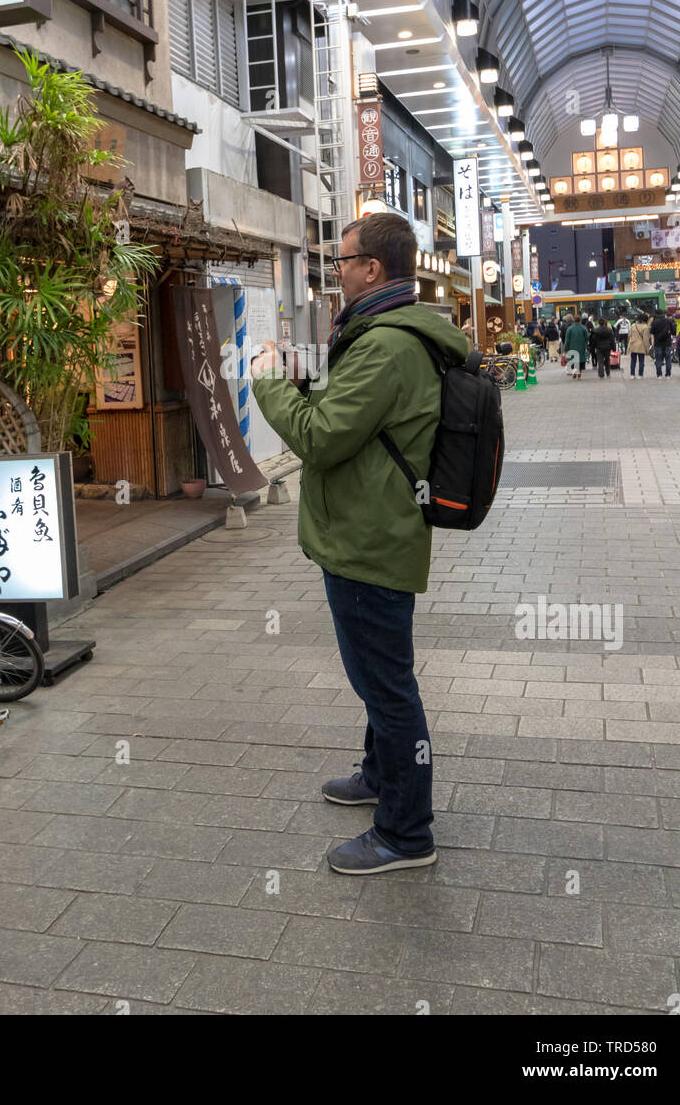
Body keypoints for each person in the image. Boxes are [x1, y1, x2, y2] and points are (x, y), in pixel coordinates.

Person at [250, 213, 469, 876]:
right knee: (380, 678)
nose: (335, 272)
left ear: (372, 268)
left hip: (370, 538)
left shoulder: (386, 344)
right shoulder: (385, 332)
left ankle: (406, 833)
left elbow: (319, 437)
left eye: (341, 261)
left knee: (387, 685)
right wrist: (306, 379)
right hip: (371, 528)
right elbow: (353, 415)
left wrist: (266, 382)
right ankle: (380, 774)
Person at [650, 309, 675, 378]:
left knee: (658, 359)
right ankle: (668, 374)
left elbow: (652, 335)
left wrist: (652, 344)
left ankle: (659, 375)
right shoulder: (668, 321)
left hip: (658, 344)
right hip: (667, 343)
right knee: (668, 359)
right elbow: (673, 332)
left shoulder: (654, 322)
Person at [563, 313, 589, 379]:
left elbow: (567, 340)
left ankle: (574, 372)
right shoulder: (583, 328)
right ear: (580, 320)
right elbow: (587, 337)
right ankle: (579, 372)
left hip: (572, 348)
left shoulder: (570, 329)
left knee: (573, 361)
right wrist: (585, 345)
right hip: (581, 348)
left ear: (574, 320)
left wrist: (565, 348)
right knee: (581, 361)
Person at [628, 313, 650, 378]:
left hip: (633, 345)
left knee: (633, 361)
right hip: (641, 346)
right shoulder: (645, 327)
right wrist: (647, 349)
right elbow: (646, 339)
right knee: (641, 361)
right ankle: (640, 375)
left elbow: (629, 335)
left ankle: (632, 374)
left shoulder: (633, 325)